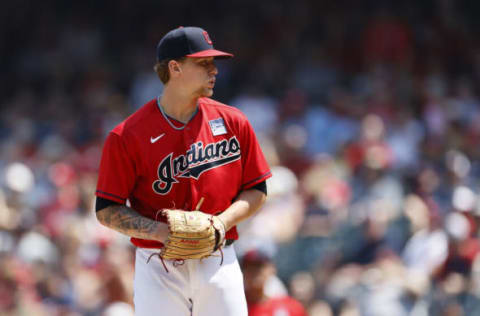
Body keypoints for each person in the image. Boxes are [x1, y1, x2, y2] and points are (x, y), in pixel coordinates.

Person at [94, 26, 271, 316]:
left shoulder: (234, 121)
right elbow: (106, 209)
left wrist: (221, 223)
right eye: (203, 63)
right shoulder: (127, 135)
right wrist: (161, 231)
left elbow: (258, 189)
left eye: (214, 63)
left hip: (218, 257)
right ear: (174, 67)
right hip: (157, 264)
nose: (214, 70)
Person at [241, 249, 308, 316]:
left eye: (259, 267)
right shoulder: (237, 306)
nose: (255, 272)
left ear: (271, 269)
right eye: (250, 267)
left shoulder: (291, 307)